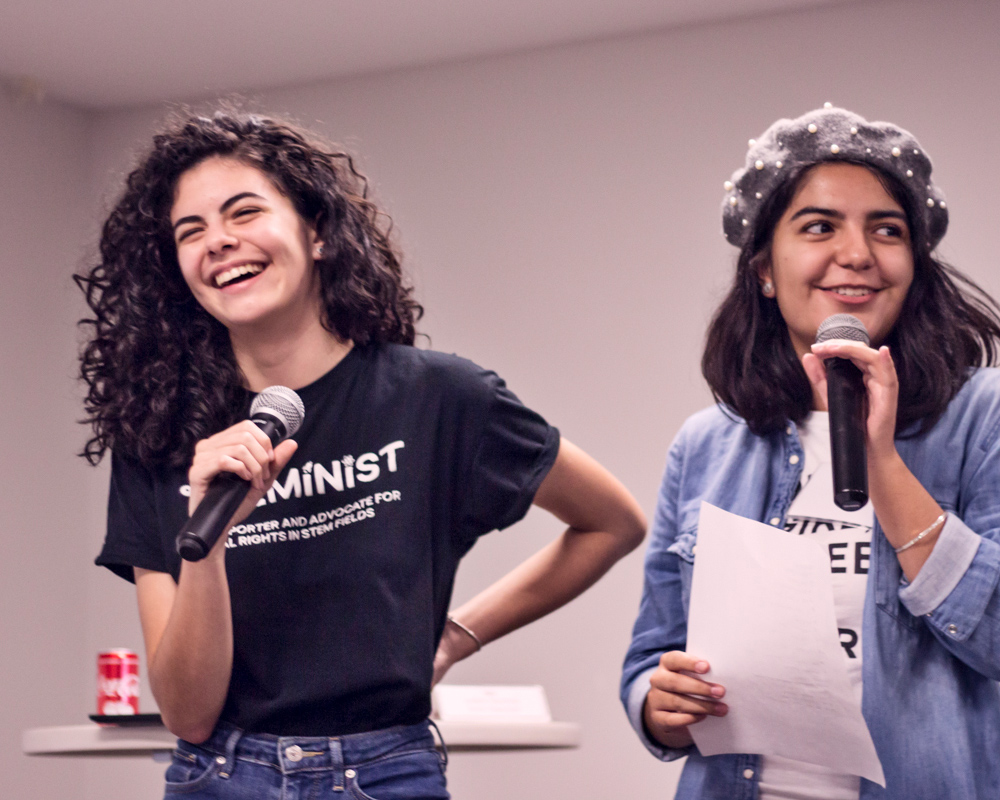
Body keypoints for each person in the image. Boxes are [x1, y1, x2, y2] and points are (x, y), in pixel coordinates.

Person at [78, 110, 646, 799]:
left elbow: (614, 523)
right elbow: (187, 714)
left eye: (243, 212)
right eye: (189, 231)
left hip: (385, 773)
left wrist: (457, 637)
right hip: (220, 776)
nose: (218, 242)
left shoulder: (439, 396)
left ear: (316, 232)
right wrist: (209, 543)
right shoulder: (159, 435)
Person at [620, 105, 1000, 799]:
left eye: (886, 230)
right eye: (819, 226)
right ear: (765, 269)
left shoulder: (985, 416)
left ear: (912, 265)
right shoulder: (705, 444)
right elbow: (652, 657)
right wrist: (661, 704)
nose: (856, 253)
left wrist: (881, 461)